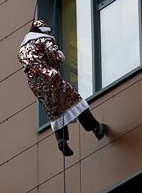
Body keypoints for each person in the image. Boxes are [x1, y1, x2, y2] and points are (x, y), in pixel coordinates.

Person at [19, 19, 107, 157]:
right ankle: (96, 128)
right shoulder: (45, 39)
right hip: (49, 76)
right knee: (74, 100)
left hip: (35, 84)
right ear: (43, 30)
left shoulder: (22, 49)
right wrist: (60, 55)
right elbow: (54, 58)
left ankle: (61, 140)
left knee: (54, 109)